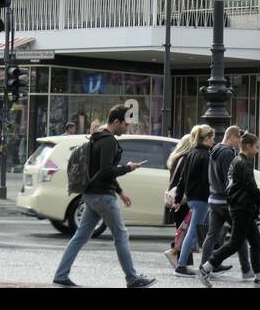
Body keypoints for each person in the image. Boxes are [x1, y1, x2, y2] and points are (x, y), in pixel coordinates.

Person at [52, 105, 155, 288]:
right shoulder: (108, 141)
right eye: (125, 124)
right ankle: (132, 279)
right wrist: (128, 168)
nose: (127, 127)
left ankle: (61, 275)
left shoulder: (96, 138)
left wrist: (120, 192)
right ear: (117, 121)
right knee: (121, 235)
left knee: (81, 236)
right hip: (102, 196)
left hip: (91, 194)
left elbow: (99, 171)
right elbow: (107, 171)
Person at [202, 132, 260, 285]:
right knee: (235, 243)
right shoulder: (243, 163)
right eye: (256, 147)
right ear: (248, 146)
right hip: (242, 208)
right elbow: (250, 186)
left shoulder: (236, 161)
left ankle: (259, 276)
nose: (257, 150)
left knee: (256, 242)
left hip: (241, 207)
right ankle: (206, 267)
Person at [200, 126, 250, 279]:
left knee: (211, 235)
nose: (240, 142)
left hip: (214, 198)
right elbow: (229, 179)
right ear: (233, 137)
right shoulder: (227, 153)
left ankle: (204, 267)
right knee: (239, 235)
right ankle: (246, 270)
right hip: (225, 201)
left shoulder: (215, 150)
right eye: (239, 139)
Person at [173, 125, 216, 275]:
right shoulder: (205, 156)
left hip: (191, 197)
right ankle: (181, 265)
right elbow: (207, 180)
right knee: (193, 232)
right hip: (202, 198)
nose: (213, 141)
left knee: (208, 230)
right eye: (212, 138)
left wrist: (178, 198)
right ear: (205, 139)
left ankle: (211, 262)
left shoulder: (191, 153)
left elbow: (182, 178)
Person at [164, 126, 201, 265]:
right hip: (182, 199)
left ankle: (183, 261)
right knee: (184, 231)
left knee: (182, 230)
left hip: (176, 198)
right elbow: (183, 181)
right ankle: (180, 259)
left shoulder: (175, 158)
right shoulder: (185, 159)